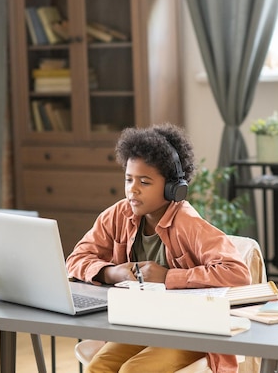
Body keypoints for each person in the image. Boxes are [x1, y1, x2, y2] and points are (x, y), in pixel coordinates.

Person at [66, 123, 251, 373]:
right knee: (98, 367)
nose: (133, 189)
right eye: (129, 179)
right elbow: (76, 259)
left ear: (172, 187)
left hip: (190, 329)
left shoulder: (188, 223)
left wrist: (167, 277)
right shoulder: (118, 215)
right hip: (141, 324)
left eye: (144, 182)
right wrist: (112, 272)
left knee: (133, 370)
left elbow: (237, 273)